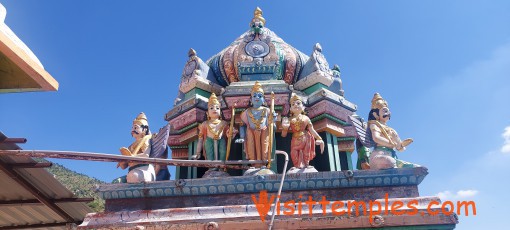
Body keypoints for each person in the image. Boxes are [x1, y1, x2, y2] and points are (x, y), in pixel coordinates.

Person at [367, 93, 416, 170]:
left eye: (388, 111)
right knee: (390, 162)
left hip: (391, 155)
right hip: (378, 156)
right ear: (376, 114)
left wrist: (403, 144)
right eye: (384, 110)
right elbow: (376, 138)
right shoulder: (374, 125)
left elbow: (399, 147)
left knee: (412, 167)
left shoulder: (392, 130)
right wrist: (391, 144)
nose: (387, 113)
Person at [281, 93, 324, 169]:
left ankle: (306, 164)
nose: (295, 105)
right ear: (290, 109)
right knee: (293, 152)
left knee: (306, 152)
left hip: (305, 137)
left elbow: (311, 130)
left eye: (298, 103)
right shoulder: (289, 119)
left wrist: (319, 139)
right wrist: (284, 128)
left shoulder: (306, 118)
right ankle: (296, 165)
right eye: (293, 104)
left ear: (303, 107)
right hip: (295, 138)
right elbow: (284, 135)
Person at [236, 81, 274, 167]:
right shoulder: (246, 112)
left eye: (260, 96)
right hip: (251, 132)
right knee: (251, 149)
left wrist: (273, 119)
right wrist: (242, 137)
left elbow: (272, 125)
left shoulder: (267, 111)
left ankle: (264, 164)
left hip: (264, 132)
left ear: (264, 99)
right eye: (254, 96)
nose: (257, 97)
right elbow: (242, 126)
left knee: (264, 149)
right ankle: (254, 165)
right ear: (251, 99)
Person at [192, 93, 234, 163]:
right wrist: (198, 152)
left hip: (221, 140)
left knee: (223, 152)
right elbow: (200, 139)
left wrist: (230, 134)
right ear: (207, 113)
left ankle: (221, 167)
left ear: (220, 112)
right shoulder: (205, 124)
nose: (215, 109)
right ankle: (211, 168)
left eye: (217, 108)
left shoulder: (224, 123)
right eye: (211, 108)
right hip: (209, 140)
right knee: (210, 154)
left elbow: (229, 134)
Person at [117, 112, 156, 183]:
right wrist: (122, 161)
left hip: (144, 170)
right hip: (131, 172)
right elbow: (123, 167)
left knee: (133, 176)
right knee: (116, 182)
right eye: (132, 128)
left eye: (136, 127)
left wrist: (132, 157)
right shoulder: (131, 146)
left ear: (144, 129)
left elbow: (146, 155)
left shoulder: (146, 140)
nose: (133, 130)